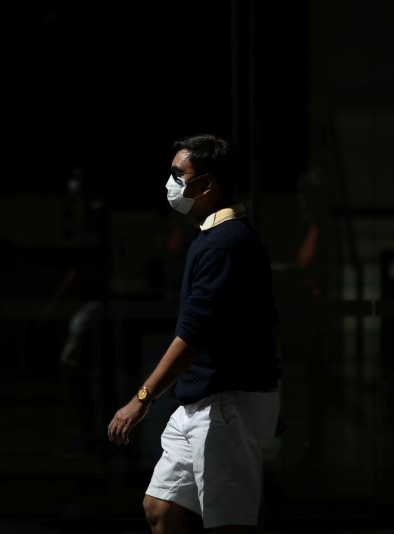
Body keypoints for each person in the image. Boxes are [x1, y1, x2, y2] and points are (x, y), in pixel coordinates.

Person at [107, 134, 283, 533]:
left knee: (228, 523)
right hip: (202, 402)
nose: (171, 184)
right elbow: (268, 321)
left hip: (224, 406)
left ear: (207, 183)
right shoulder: (214, 236)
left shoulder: (226, 243)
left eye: (178, 174)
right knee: (161, 508)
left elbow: (194, 333)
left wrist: (142, 398)